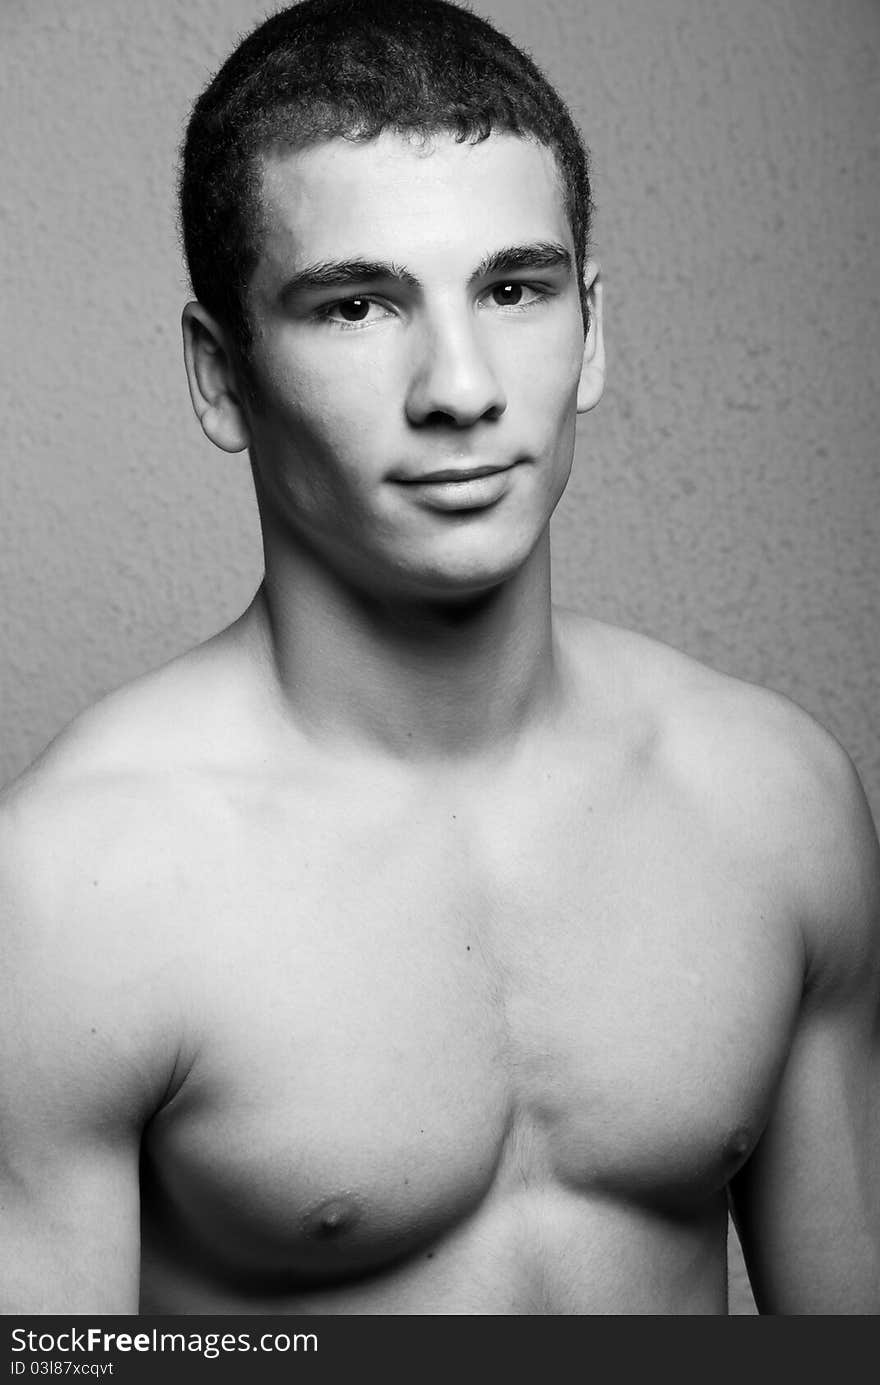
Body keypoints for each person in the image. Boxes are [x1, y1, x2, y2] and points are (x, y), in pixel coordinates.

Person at [1, 0, 878, 1318]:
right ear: (220, 376)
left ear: (592, 330)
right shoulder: (72, 893)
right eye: (356, 305)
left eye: (515, 289)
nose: (459, 386)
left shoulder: (773, 803)